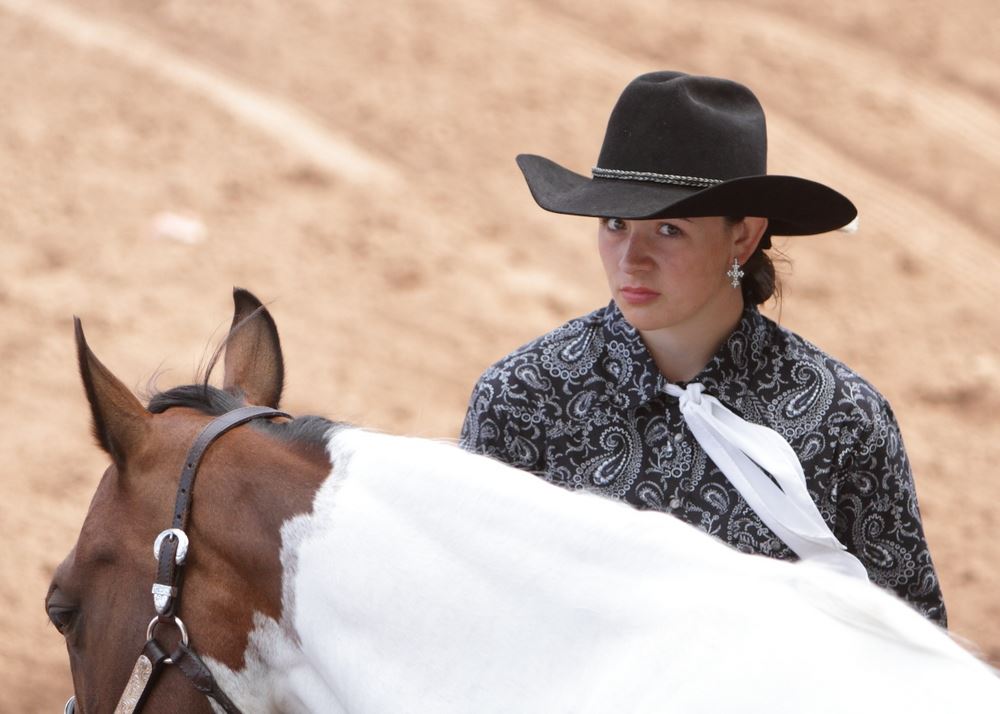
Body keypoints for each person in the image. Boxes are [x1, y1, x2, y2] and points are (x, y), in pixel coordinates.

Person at [459, 70, 946, 625]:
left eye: (669, 230)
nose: (631, 259)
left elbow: (916, 647)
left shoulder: (843, 420)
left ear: (743, 235)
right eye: (615, 223)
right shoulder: (522, 397)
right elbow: (472, 619)